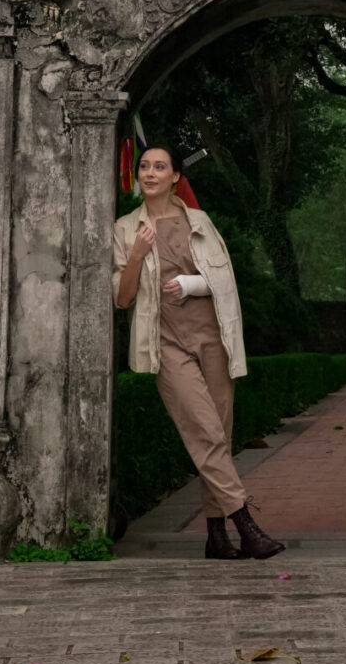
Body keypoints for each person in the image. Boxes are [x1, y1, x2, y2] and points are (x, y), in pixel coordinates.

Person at [112, 143, 286, 561]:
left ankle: (216, 535)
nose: (150, 173)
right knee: (204, 430)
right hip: (166, 343)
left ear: (175, 177)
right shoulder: (124, 228)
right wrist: (137, 252)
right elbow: (122, 298)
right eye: (145, 167)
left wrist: (192, 285)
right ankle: (246, 524)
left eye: (160, 167)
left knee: (218, 436)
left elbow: (225, 283)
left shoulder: (201, 222)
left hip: (213, 337)